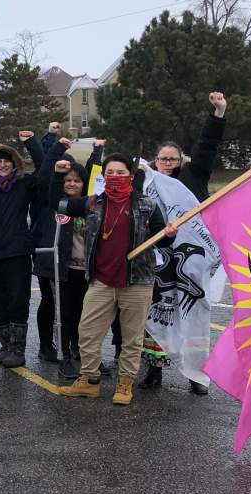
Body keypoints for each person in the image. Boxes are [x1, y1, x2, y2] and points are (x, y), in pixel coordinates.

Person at [55, 154, 176, 405]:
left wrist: (169, 234)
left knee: (131, 338)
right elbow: (56, 204)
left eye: (121, 173)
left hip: (137, 282)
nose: (115, 177)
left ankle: (125, 383)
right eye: (110, 172)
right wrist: (56, 175)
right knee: (87, 333)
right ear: (104, 176)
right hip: (101, 281)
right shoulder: (92, 203)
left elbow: (161, 239)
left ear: (130, 176)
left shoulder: (147, 205)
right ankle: (89, 380)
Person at [141, 91, 228, 394]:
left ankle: (196, 374)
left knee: (193, 316)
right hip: (160, 261)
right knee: (159, 311)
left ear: (180, 160)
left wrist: (217, 115)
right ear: (155, 160)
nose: (167, 163)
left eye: (172, 158)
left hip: (192, 263)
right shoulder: (147, 184)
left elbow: (206, 147)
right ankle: (154, 371)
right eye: (162, 158)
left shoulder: (192, 176)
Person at [32, 137, 105, 364]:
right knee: (51, 305)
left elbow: (95, 173)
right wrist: (49, 148)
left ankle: (77, 347)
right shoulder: (52, 200)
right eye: (67, 180)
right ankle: (47, 346)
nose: (71, 184)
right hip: (53, 264)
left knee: (79, 310)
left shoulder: (90, 205)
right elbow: (44, 175)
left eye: (76, 180)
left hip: (82, 268)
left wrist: (98, 151)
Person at [0, 130, 44, 368]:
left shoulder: (24, 185)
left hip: (17, 252)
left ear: (14, 163)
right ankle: (5, 346)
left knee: (18, 300)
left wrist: (31, 143)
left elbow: (43, 169)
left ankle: (18, 349)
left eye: (7, 160)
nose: (3, 164)